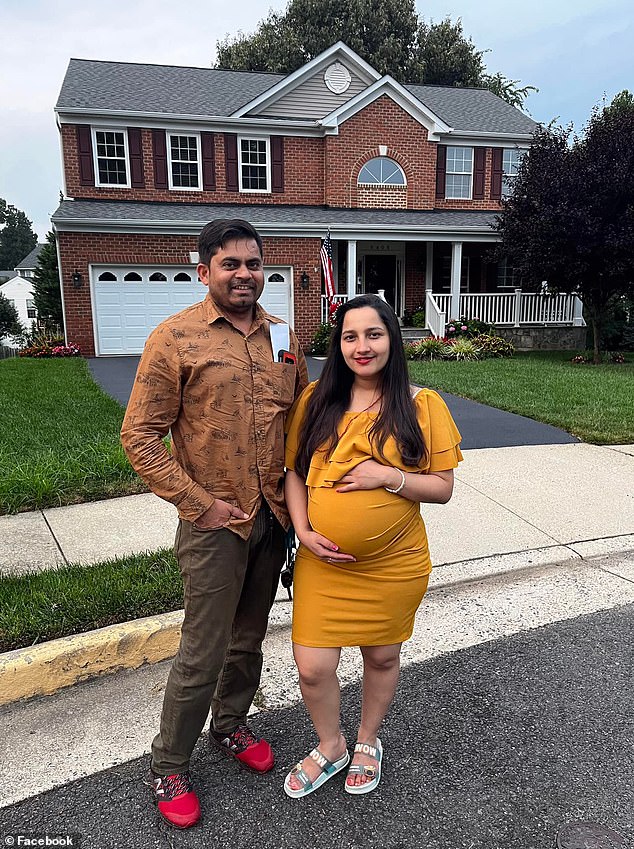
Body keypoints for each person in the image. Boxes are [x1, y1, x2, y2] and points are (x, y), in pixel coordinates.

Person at [121, 218, 308, 828]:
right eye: (231, 264)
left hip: (272, 520)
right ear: (204, 271)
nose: (244, 274)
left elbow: (299, 428)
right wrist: (199, 503)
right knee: (203, 650)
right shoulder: (175, 338)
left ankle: (230, 725)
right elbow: (140, 437)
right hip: (213, 525)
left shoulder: (282, 340)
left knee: (249, 638)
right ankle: (169, 764)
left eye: (253, 263)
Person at [282, 294, 462, 798]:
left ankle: (366, 741)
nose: (362, 346)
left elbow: (443, 487)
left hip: (394, 566)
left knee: (381, 658)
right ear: (338, 345)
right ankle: (331, 744)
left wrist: (389, 477)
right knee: (313, 666)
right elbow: (294, 473)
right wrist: (303, 532)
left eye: (374, 334)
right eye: (350, 336)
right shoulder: (316, 400)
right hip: (324, 563)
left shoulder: (422, 404)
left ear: (392, 340)